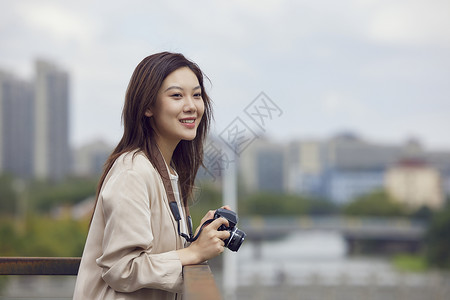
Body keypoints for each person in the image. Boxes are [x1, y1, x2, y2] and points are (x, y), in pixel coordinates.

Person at [73, 52, 231, 299]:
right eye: (177, 95)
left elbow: (155, 258)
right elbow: (122, 268)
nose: (191, 106)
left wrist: (195, 241)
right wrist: (194, 253)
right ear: (148, 106)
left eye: (197, 95)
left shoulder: (166, 172)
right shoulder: (133, 172)